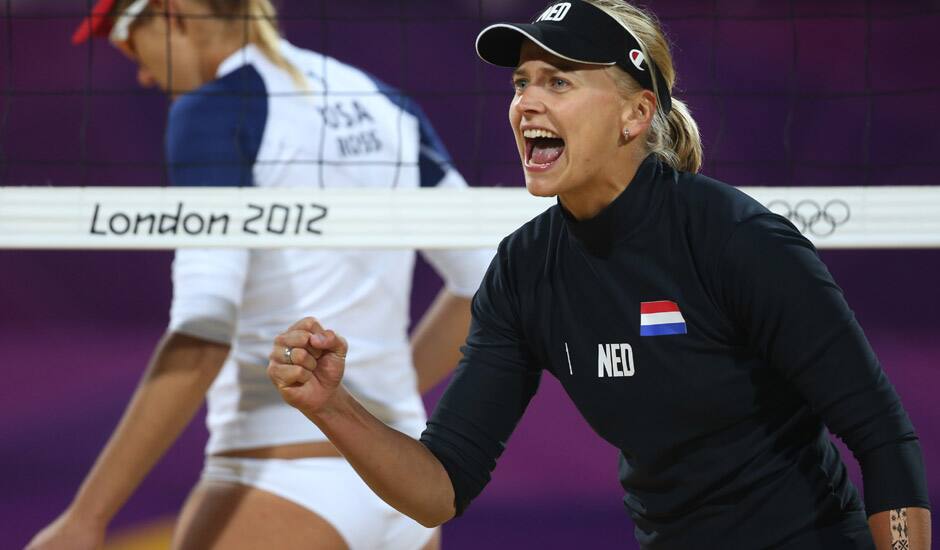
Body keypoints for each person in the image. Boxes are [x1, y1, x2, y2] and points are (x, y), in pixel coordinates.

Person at [266, 1, 933, 549]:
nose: (527, 101)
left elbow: (883, 437)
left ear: (636, 113)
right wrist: (333, 406)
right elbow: (441, 487)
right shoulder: (525, 271)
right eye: (522, 81)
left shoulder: (736, 241)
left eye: (558, 81)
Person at [26, 0, 494, 549]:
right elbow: (488, 285)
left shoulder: (215, 110)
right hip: (400, 484)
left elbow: (204, 333)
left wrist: (87, 516)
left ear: (175, 14)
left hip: (282, 480)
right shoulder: (380, 100)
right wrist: (359, 415)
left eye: (132, 43)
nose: (144, 73)